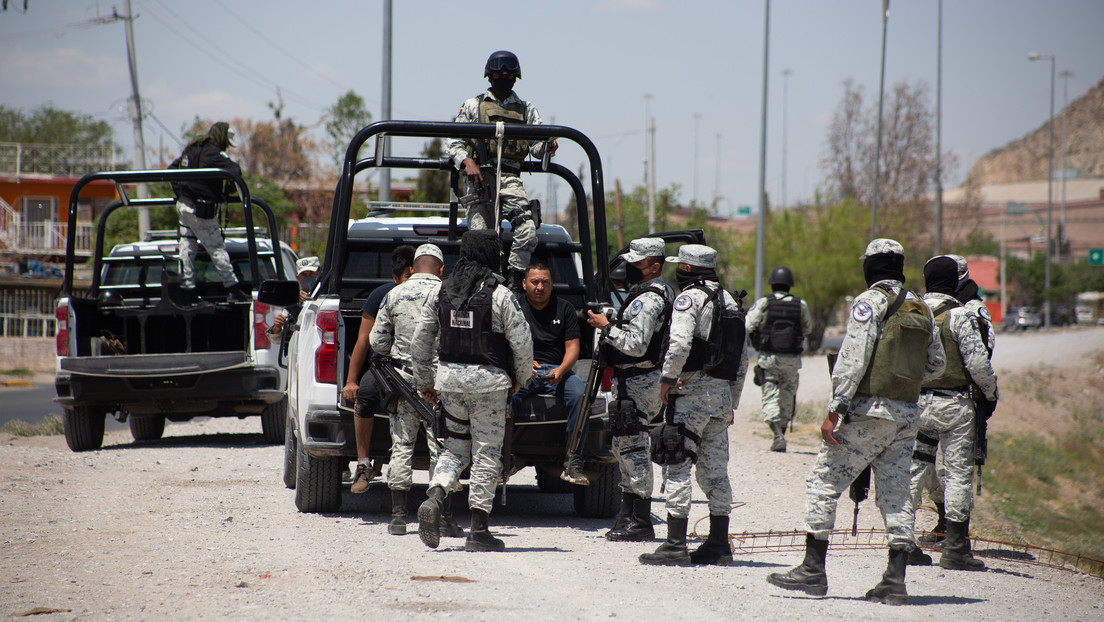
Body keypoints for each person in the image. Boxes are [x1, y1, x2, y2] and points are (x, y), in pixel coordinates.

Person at [767, 238, 945, 606]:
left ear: (872, 266)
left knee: (822, 484)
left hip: (868, 412)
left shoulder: (870, 302)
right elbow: (936, 365)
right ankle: (895, 582)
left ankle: (813, 572)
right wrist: (903, 383)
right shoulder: (921, 307)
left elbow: (851, 360)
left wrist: (835, 411)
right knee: (896, 495)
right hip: (906, 414)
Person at [412, 230, 533, 552]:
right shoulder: (500, 294)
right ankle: (479, 531)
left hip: (449, 383)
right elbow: (522, 343)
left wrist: (425, 381)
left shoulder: (440, 292)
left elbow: (420, 341)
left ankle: (436, 495)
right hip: (490, 387)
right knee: (486, 453)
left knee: (453, 449)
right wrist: (521, 378)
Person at [639, 244, 748, 567]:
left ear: (686, 269)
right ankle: (718, 545)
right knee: (715, 470)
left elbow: (681, 342)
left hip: (690, 394)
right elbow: (742, 357)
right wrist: (733, 402)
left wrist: (667, 380)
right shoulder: (730, 301)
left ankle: (674, 544)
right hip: (720, 398)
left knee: (677, 463)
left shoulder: (690, 298)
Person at [908, 256, 998, 571]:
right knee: (958, 475)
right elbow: (978, 365)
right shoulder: (961, 316)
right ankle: (956, 548)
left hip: (916, 407)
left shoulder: (911, 311)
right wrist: (991, 393)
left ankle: (903, 543)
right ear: (954, 280)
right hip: (955, 407)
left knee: (914, 471)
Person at [370, 244, 463, 538]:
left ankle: (398, 517)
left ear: (412, 268)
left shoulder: (393, 294)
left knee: (401, 446)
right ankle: (443, 517)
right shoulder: (451, 294)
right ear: (441, 269)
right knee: (444, 450)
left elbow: (378, 342)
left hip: (402, 381)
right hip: (442, 386)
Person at [446, 50, 557, 295]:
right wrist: (467, 161)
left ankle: (514, 282)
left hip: (510, 178)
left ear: (515, 77)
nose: (504, 77)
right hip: (479, 180)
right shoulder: (473, 105)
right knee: (479, 239)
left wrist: (549, 146)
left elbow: (537, 147)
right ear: (490, 76)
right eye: (499, 73)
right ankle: (483, 287)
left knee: (527, 231)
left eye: (508, 73)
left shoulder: (526, 109)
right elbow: (453, 140)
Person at [586, 237, 673, 542]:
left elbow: (636, 345)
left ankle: (639, 521)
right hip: (636, 382)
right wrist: (612, 319)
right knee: (626, 448)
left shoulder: (649, 298)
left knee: (634, 449)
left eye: (637, 264)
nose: (631, 268)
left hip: (639, 381)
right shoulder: (653, 292)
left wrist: (605, 327)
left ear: (654, 266)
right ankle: (628, 517)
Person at [342, 246, 415, 494]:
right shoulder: (381, 296)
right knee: (365, 395)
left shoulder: (432, 295)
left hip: (422, 366)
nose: (411, 283)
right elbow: (364, 339)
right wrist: (352, 380)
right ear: (395, 279)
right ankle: (363, 466)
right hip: (385, 366)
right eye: (407, 277)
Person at [511, 260, 588, 483]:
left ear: (552, 284)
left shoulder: (564, 309)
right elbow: (504, 342)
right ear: (524, 284)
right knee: (506, 396)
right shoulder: (514, 308)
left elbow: (573, 347)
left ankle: (573, 461)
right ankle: (504, 459)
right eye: (534, 282)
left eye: (545, 282)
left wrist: (562, 370)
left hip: (558, 371)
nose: (540, 287)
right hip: (525, 371)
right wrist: (522, 363)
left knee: (580, 395)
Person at [171, 121, 249, 304]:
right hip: (201, 210)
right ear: (223, 138)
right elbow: (235, 170)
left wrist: (182, 193)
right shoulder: (214, 152)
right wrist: (226, 190)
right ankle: (233, 288)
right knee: (216, 247)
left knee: (187, 245)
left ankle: (188, 289)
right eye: (228, 143)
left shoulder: (192, 149)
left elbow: (171, 169)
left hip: (184, 207)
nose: (228, 146)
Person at [745, 266, 813, 452]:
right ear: (790, 284)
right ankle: (781, 434)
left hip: (769, 359)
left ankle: (777, 435)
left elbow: (749, 324)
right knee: (787, 397)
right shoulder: (801, 304)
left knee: (770, 397)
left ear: (772, 283)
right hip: (792, 360)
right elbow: (807, 329)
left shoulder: (765, 302)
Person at [267, 256, 319, 342]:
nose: (309, 278)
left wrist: (311, 301)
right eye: (304, 275)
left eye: (312, 273)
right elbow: (278, 340)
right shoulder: (293, 302)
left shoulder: (327, 296)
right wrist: (277, 327)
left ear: (319, 274)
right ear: (298, 278)